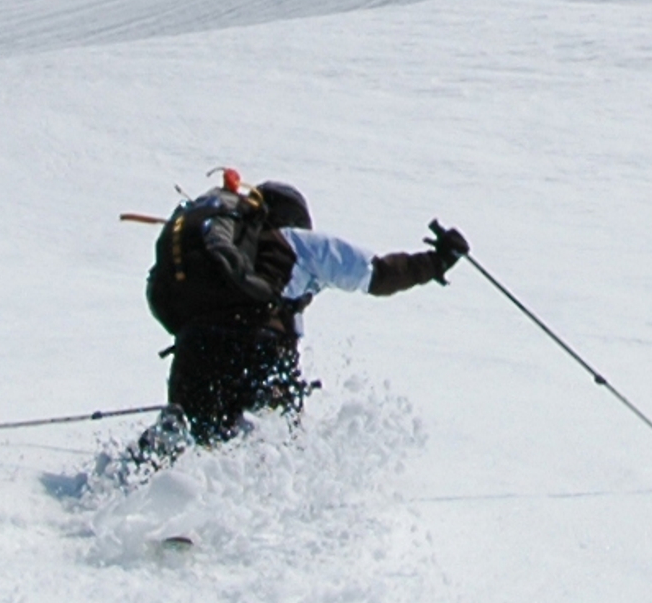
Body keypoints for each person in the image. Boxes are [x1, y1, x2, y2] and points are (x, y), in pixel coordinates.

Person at [141, 176, 464, 446]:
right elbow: (376, 274)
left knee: (190, 451)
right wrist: (436, 261)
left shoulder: (221, 259)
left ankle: (125, 494)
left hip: (193, 352)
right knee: (267, 457)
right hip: (260, 351)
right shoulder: (296, 243)